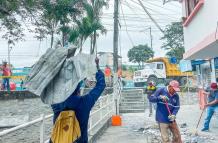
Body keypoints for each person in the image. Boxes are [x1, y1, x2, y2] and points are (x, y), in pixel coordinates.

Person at [51, 58, 106, 143]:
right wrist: (97, 67)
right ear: (78, 90)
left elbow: (50, 90)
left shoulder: (57, 103)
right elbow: (101, 85)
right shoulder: (85, 102)